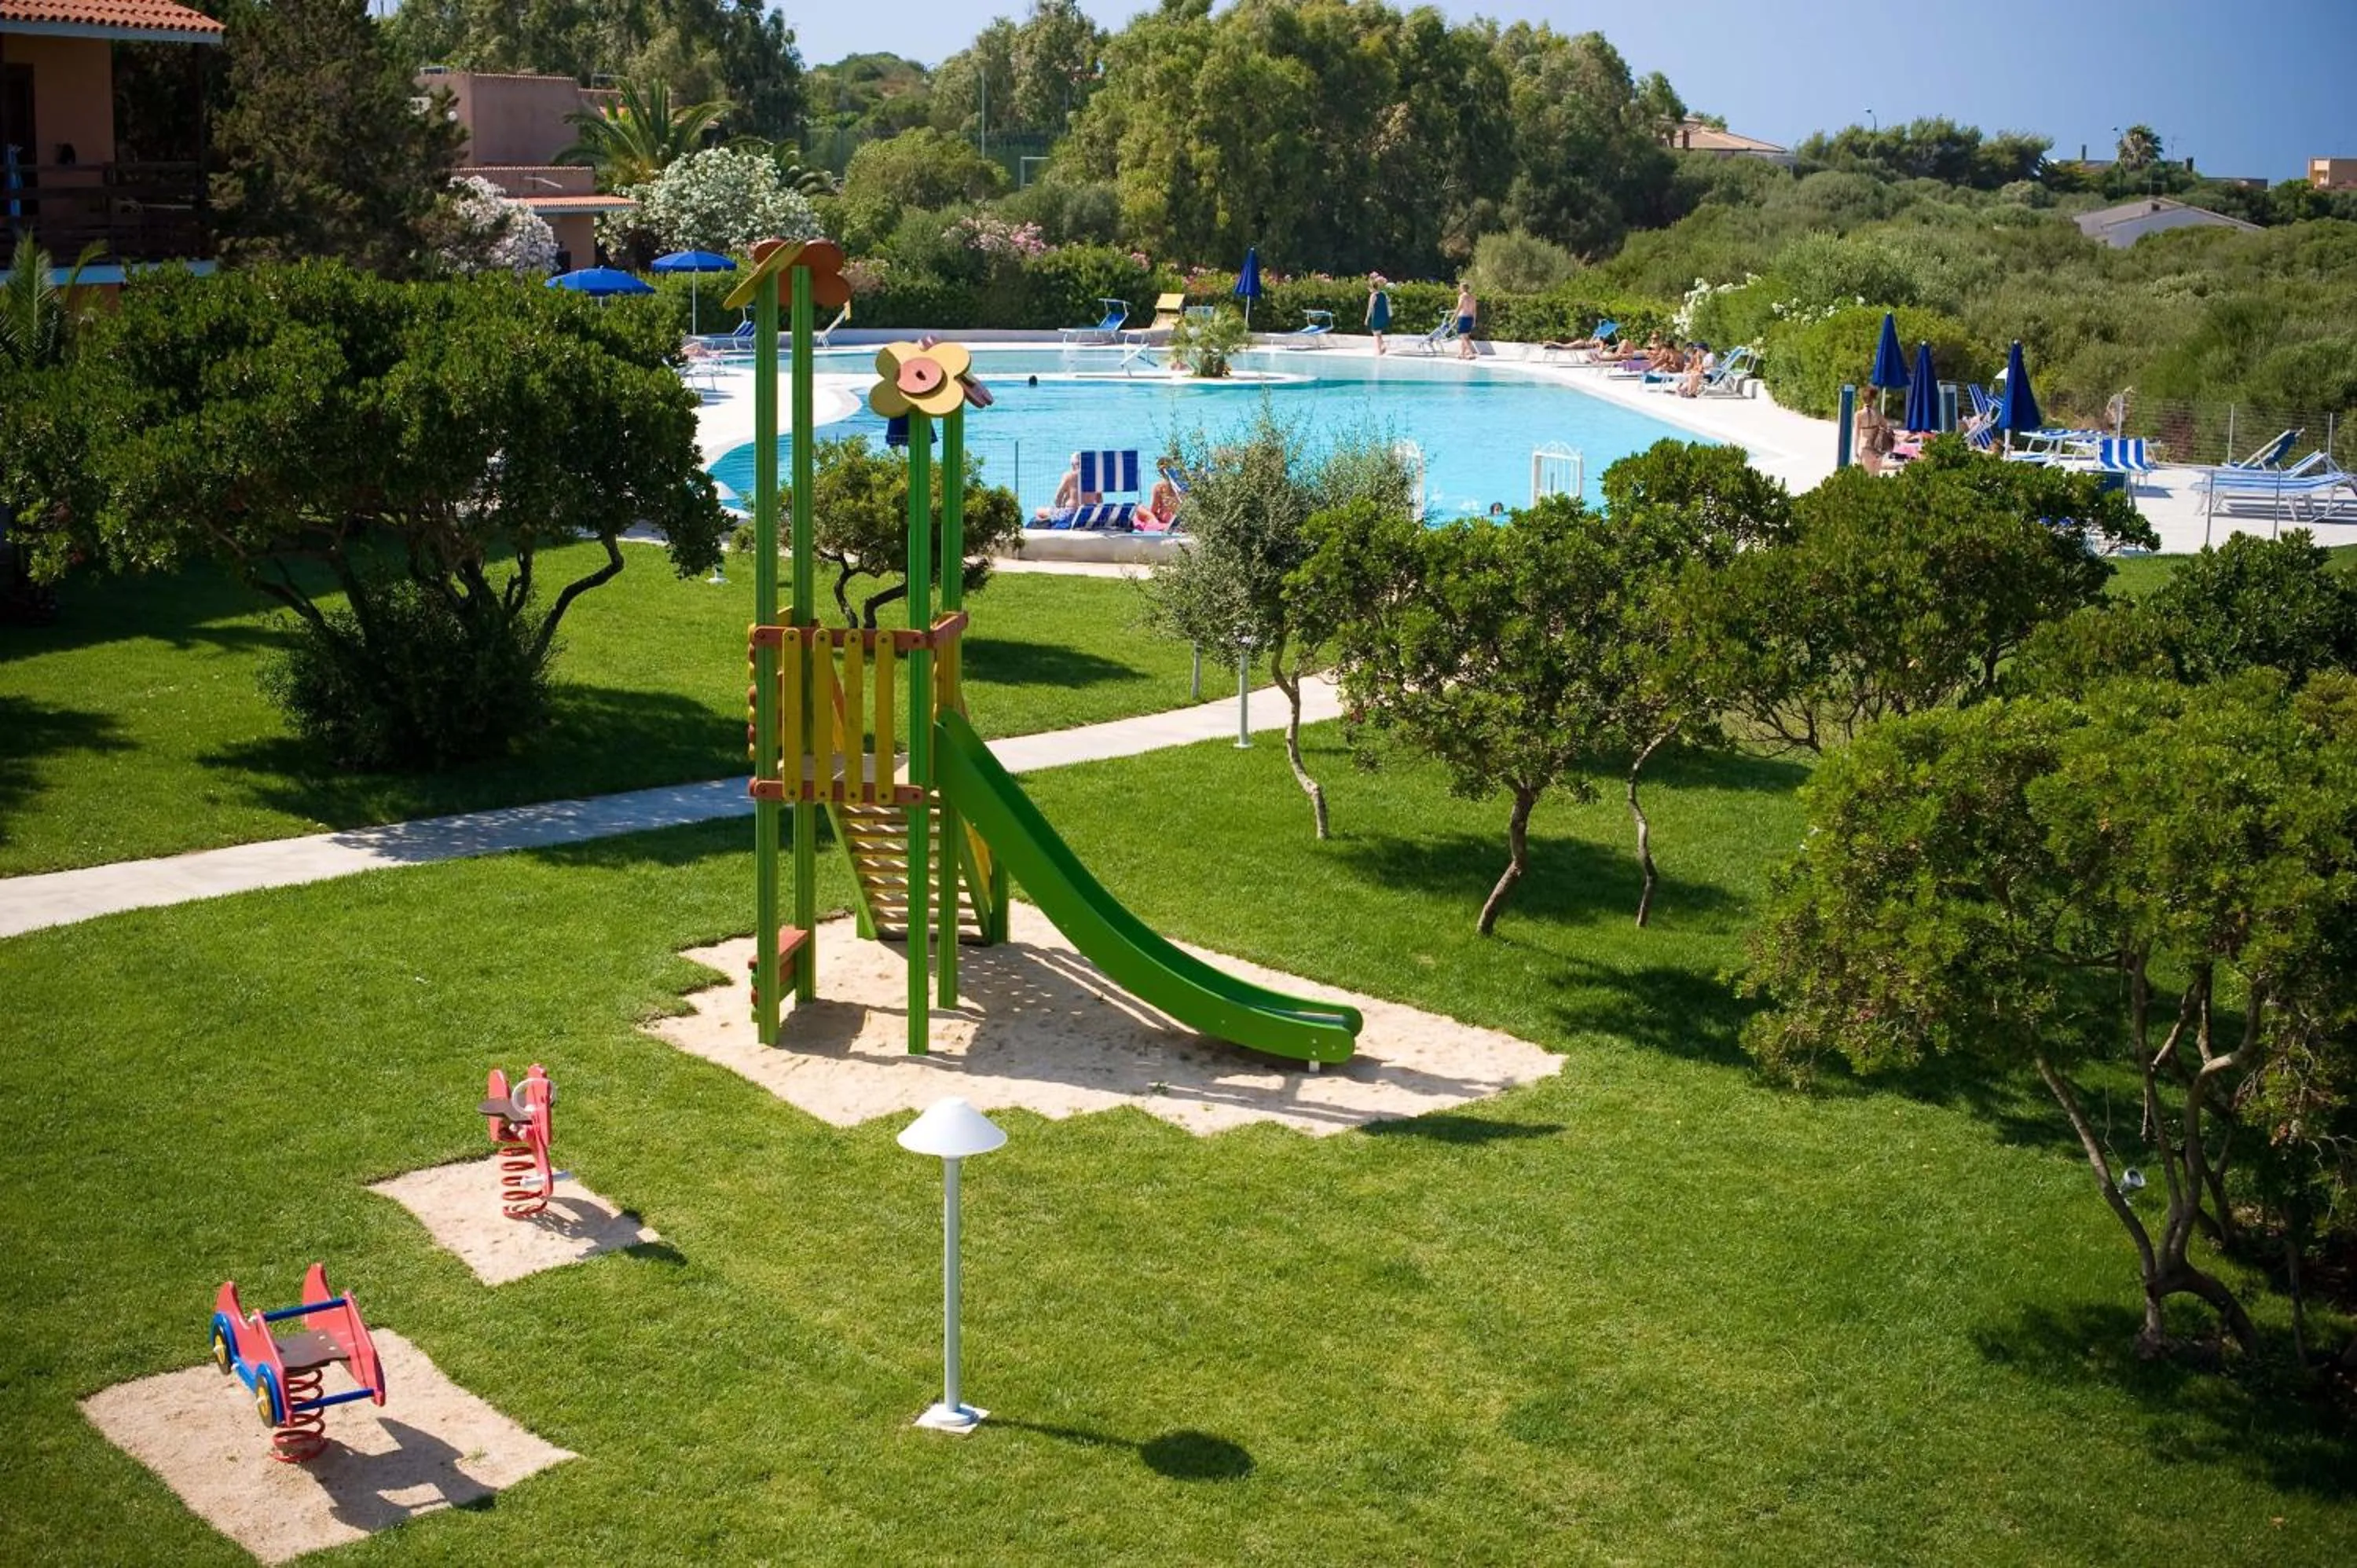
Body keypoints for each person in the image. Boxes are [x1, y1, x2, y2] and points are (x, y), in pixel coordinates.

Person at [1854, 402, 1897, 477]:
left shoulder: (1859, 414)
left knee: (1867, 478)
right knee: (1876, 477)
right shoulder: (1878, 413)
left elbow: (1857, 435)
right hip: (1878, 448)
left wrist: (1855, 451)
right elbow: (1887, 429)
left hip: (1866, 448)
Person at [1139, 461, 1184, 529]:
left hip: (1166, 520)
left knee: (1140, 508)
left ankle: (1154, 523)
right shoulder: (1183, 485)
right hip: (1182, 518)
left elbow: (1153, 510)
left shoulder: (1159, 486)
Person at [1365, 273, 1392, 356]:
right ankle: (1383, 346)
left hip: (1377, 317)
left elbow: (1370, 308)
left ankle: (1379, 351)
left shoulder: (1373, 296)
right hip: (1384, 316)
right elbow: (1388, 303)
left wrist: (1367, 318)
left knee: (1376, 334)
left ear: (1372, 287)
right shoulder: (1383, 294)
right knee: (1378, 333)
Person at [1453, 280, 1478, 361]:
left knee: (1463, 336)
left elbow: (1460, 307)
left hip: (1463, 317)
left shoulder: (1462, 296)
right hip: (1470, 318)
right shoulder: (1473, 297)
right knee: (1466, 336)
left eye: (1460, 287)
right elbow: (1474, 310)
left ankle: (1470, 353)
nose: (1459, 289)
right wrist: (1474, 321)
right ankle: (1462, 354)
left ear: (1462, 288)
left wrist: (1454, 317)